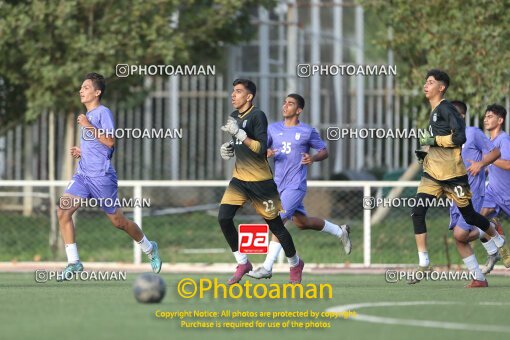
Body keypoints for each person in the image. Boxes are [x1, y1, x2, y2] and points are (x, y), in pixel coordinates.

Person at [56, 73, 161, 280]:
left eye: (86, 87)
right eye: (81, 87)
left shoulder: (103, 113)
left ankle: (149, 248)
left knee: (118, 222)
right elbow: (100, 147)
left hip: (102, 177)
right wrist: (82, 152)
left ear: (97, 92)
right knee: (62, 211)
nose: (81, 90)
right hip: (83, 175)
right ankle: (74, 262)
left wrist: (88, 126)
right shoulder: (88, 116)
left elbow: (110, 141)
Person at [409, 69, 506, 287]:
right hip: (436, 178)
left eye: (430, 82)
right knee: (420, 213)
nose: (425, 85)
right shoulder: (435, 113)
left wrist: (480, 163)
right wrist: (425, 153)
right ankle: (426, 263)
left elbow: (460, 138)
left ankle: (497, 241)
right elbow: (436, 143)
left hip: (459, 181)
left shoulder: (454, 116)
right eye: (425, 82)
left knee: (468, 223)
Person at [247, 94, 351, 280]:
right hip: (276, 185)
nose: (285, 106)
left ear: (299, 110)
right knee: (303, 223)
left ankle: (268, 267)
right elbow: (260, 150)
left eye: (291, 103)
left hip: (295, 185)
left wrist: (313, 158)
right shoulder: (272, 129)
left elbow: (323, 151)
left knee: (277, 221)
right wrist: (266, 153)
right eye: (284, 102)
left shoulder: (307, 131)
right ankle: (339, 231)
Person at [218, 79, 304, 284]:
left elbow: (260, 149)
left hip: (261, 182)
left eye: (238, 92)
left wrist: (239, 134)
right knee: (223, 218)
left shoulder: (258, 116)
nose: (233, 95)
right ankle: (243, 262)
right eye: (233, 91)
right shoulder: (233, 116)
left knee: (276, 227)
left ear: (249, 97)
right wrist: (228, 149)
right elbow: (239, 145)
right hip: (239, 179)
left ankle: (295, 262)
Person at [447, 100, 500, 287]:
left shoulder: (472, 133)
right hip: (454, 194)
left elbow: (495, 153)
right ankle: (479, 278)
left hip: (472, 192)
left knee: (461, 234)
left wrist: (480, 164)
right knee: (459, 237)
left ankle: (490, 230)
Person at [478, 104, 510, 272]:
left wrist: (487, 160)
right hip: (492, 193)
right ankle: (494, 252)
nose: (485, 119)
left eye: (490, 116)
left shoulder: (503, 140)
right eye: (485, 116)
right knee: (476, 221)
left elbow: (508, 164)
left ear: (500, 120)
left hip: (507, 193)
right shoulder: (488, 143)